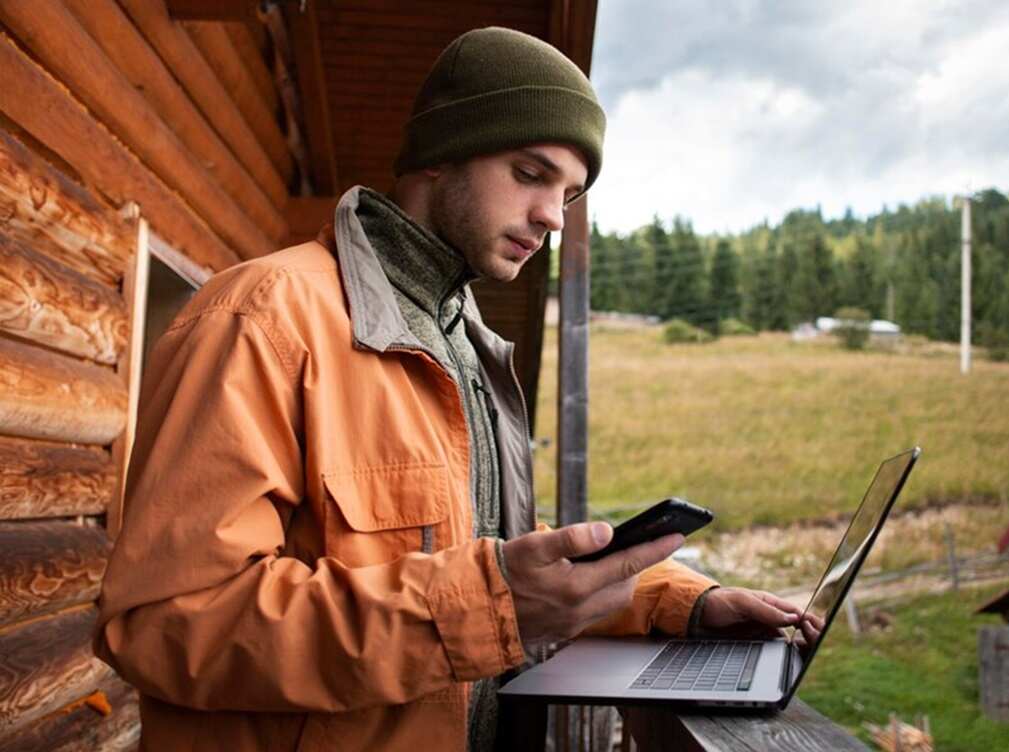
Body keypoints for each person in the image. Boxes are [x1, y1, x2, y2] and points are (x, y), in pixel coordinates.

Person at [95, 26, 804, 752]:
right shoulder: (260, 317)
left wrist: (681, 601)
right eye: (530, 173)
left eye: (568, 193)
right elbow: (165, 623)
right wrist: (484, 607)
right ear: (441, 151)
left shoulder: (469, 348)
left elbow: (485, 552)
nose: (553, 216)